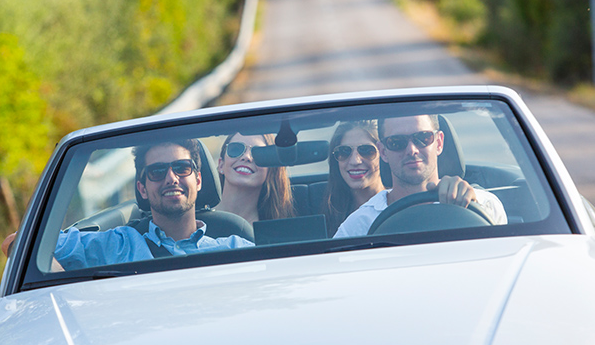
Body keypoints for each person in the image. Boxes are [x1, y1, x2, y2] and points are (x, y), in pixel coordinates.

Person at [51, 139, 254, 270]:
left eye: (182, 168)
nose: (171, 178)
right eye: (157, 172)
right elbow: (33, 248)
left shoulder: (236, 249)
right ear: (142, 189)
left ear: (198, 180)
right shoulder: (116, 245)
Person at [334, 114, 507, 237]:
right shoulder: (358, 226)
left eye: (422, 138)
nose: (412, 150)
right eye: (397, 142)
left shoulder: (486, 207)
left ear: (439, 143)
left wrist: (471, 209)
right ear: (383, 152)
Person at [322, 122, 386, 236]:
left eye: (367, 151)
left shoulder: (401, 203)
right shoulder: (327, 215)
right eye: (344, 152)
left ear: (383, 154)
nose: (355, 161)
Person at [216, 132, 295, 225]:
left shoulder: (277, 231)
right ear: (221, 164)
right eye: (236, 149)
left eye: (259, 153)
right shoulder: (196, 222)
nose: (246, 157)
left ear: (271, 171)